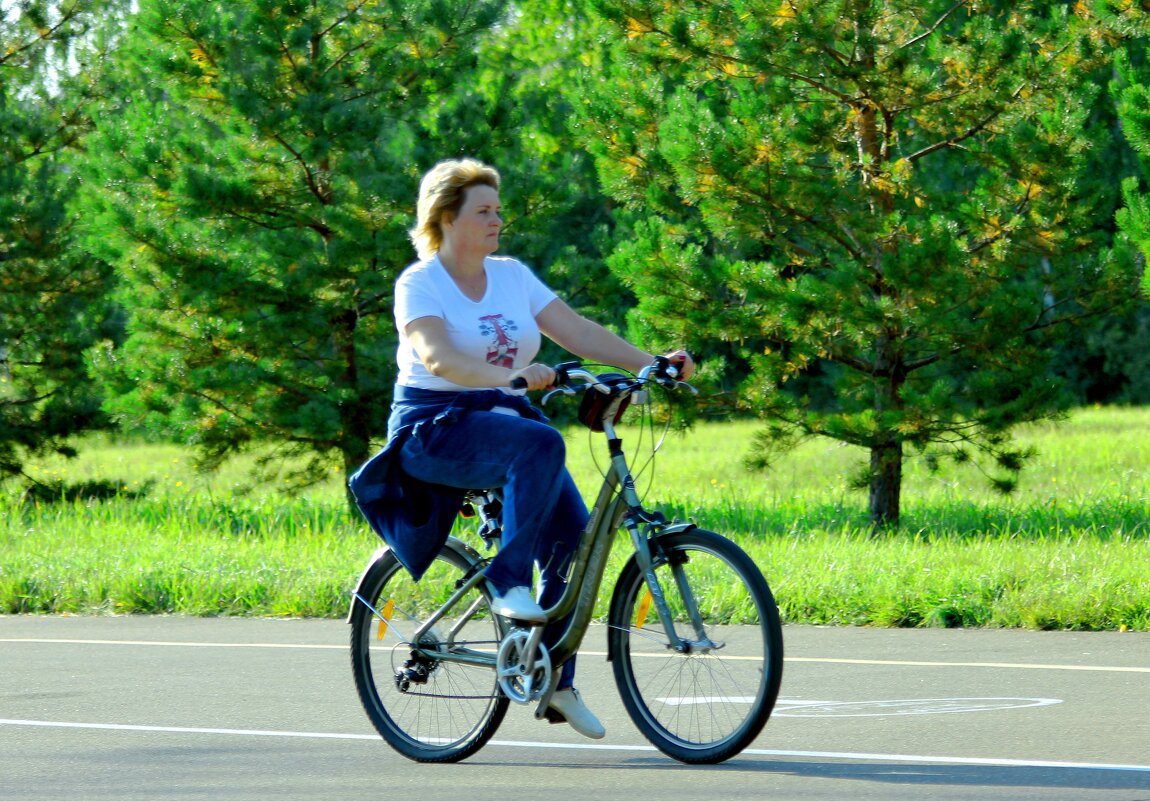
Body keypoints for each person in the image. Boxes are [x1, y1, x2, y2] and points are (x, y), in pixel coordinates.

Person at [366, 157, 694, 740]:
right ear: (447, 218)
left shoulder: (512, 275)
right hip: (433, 425)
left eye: (498, 209)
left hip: (503, 419)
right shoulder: (420, 283)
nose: (497, 219)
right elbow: (437, 357)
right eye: (483, 210)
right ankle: (507, 582)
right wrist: (507, 380)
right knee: (540, 443)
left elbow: (579, 331)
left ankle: (553, 679)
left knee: (575, 539)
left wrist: (653, 365)